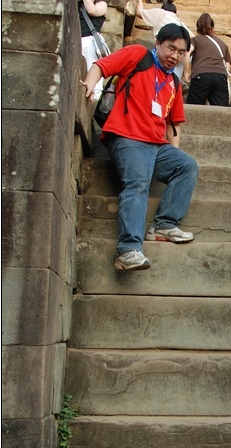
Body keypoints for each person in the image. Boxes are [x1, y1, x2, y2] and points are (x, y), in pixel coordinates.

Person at [80, 23, 199, 271]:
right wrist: (89, 85)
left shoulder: (173, 83)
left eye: (181, 52)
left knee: (187, 166)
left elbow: (174, 123)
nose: (175, 56)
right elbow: (102, 66)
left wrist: (174, 152)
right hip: (126, 136)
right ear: (158, 43)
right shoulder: (137, 55)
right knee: (138, 182)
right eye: (171, 48)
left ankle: (164, 225)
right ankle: (128, 250)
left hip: (156, 144)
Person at [136, 0, 194, 79]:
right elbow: (193, 38)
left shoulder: (161, 13)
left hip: (168, 54)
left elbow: (139, 12)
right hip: (183, 58)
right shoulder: (180, 23)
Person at [186, 13, 231, 107]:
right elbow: (227, 65)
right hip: (220, 77)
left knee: (194, 110)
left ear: (197, 27)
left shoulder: (196, 39)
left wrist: (186, 72)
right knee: (222, 113)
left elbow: (187, 52)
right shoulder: (222, 43)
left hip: (201, 76)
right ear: (213, 27)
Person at [75, 0, 108, 100]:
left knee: (93, 82)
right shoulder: (75, 4)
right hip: (77, 42)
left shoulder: (102, 4)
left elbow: (92, 10)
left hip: (90, 42)